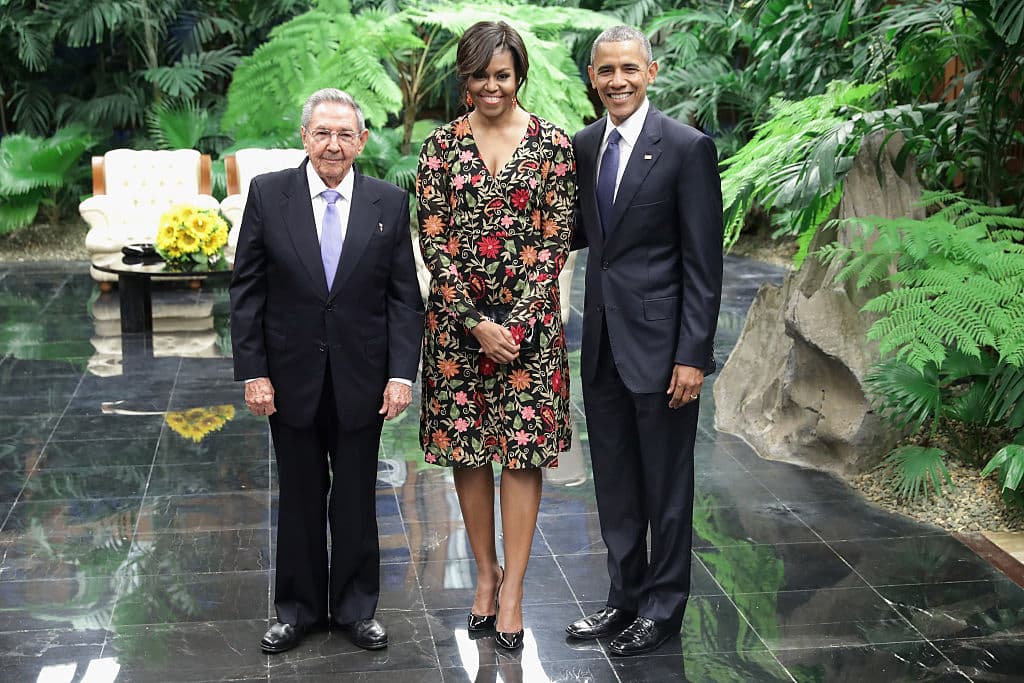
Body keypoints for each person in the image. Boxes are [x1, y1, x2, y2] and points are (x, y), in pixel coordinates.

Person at [230, 88, 424, 654]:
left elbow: (403, 299)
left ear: (362, 141)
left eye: (344, 134)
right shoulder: (270, 194)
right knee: (299, 496)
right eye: (322, 133)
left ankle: (357, 610)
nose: (333, 144)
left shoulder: (388, 202)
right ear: (305, 137)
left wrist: (401, 374)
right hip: (289, 377)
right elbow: (247, 290)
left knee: (357, 498)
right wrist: (254, 372)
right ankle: (297, 611)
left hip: (364, 378)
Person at [415, 21, 576, 650]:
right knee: (469, 451)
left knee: (523, 454)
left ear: (519, 76)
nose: (492, 86)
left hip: (529, 334)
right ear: (465, 78)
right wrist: (477, 323)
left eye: (502, 75)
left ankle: (514, 594)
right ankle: (485, 576)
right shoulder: (439, 148)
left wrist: (516, 324)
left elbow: (555, 242)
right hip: (459, 332)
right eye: (480, 75)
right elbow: (434, 243)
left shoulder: (553, 146)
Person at [564, 26, 723, 656]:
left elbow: (704, 265)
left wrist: (692, 356)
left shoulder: (686, 148)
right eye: (606, 70)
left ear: (650, 73)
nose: (618, 81)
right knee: (615, 483)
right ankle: (623, 597)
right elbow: (580, 233)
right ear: (593, 78)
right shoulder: (583, 146)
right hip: (602, 343)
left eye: (629, 69)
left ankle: (662, 609)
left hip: (663, 351)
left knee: (666, 488)